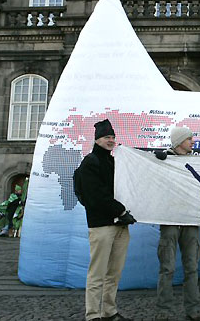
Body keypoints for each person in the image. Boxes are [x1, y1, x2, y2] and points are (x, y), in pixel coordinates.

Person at [79, 119, 136, 321]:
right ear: (97, 140)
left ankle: (109, 311)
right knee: (97, 273)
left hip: (120, 225)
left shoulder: (113, 161)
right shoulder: (90, 162)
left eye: (112, 137)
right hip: (102, 225)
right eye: (107, 137)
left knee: (114, 273)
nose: (111, 140)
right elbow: (95, 195)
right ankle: (93, 314)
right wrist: (120, 211)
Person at [155, 127, 200, 321]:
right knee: (167, 267)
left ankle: (192, 310)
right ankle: (164, 311)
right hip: (169, 221)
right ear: (178, 142)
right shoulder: (162, 160)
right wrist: (154, 160)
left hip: (190, 220)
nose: (193, 141)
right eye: (189, 138)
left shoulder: (197, 161)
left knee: (192, 267)